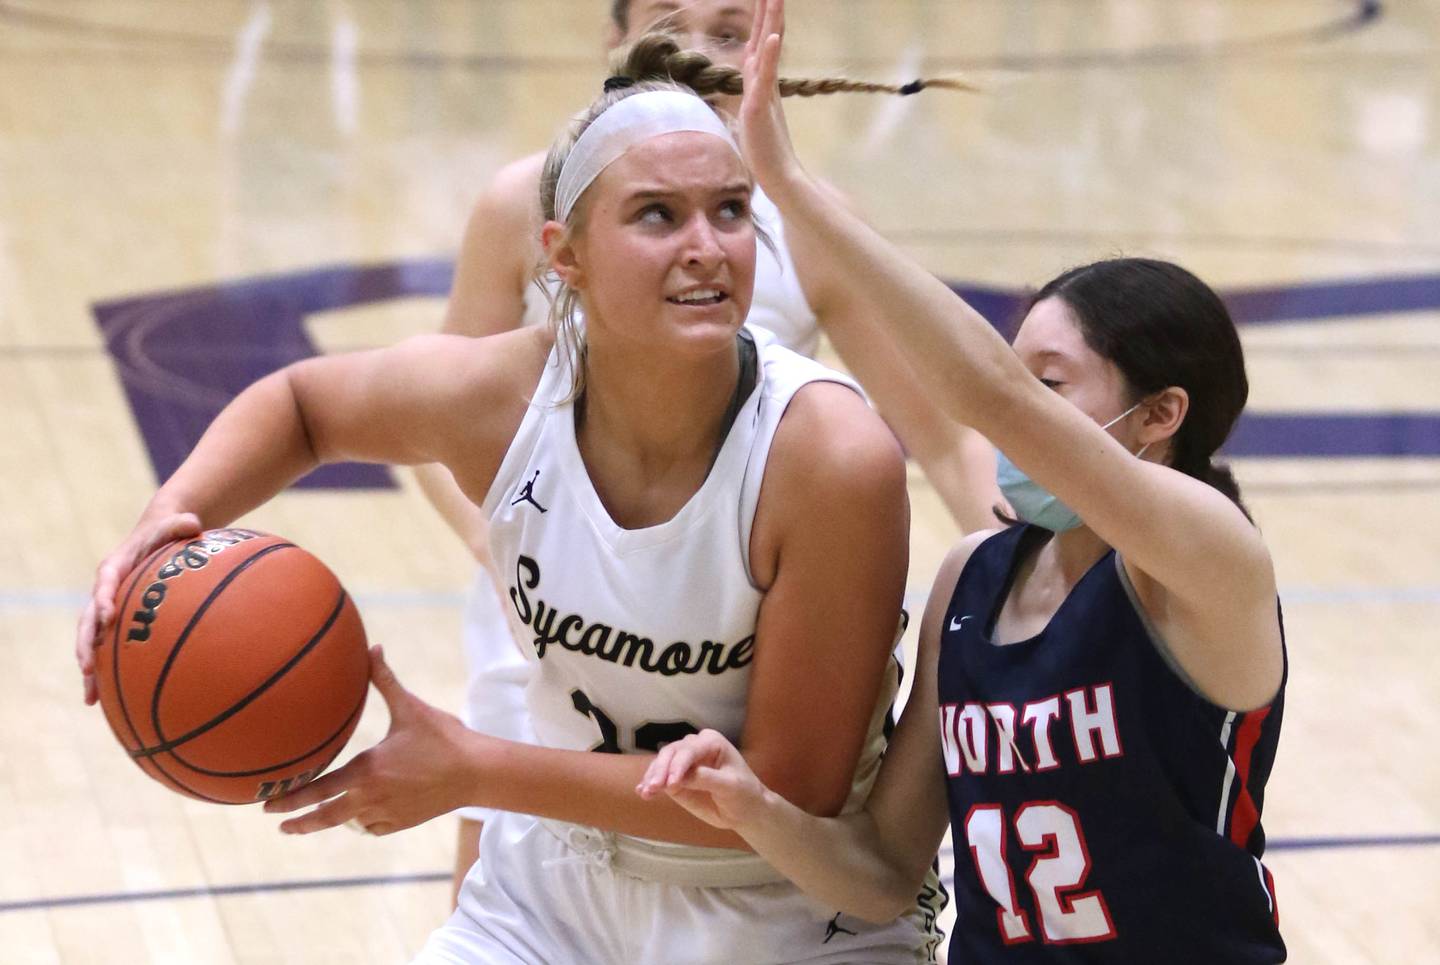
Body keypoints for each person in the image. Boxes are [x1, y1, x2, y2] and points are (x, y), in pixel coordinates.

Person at [75, 25, 948, 965]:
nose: (707, 246)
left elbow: (781, 801)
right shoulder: (502, 396)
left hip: (779, 908)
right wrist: (169, 518)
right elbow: (302, 406)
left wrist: (474, 769)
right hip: (555, 887)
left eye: (730, 211)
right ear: (561, 257)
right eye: (658, 215)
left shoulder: (827, 456)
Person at [639, 2, 1288, 961]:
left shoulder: (1210, 564)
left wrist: (787, 184)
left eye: (1052, 382)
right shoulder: (972, 580)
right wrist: (750, 807)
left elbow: (986, 398)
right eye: (1017, 369)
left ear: (1161, 414)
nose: (1022, 403)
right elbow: (884, 867)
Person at [418, 0, 996, 904]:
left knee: (726, 857)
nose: (697, 51)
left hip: (728, 619)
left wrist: (1041, 563)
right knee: (499, 869)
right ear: (618, 41)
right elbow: (425, 425)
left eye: (729, 31)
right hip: (544, 602)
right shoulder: (522, 201)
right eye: (672, 21)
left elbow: (947, 438)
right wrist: (505, 555)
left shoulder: (810, 219)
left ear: (767, 51)